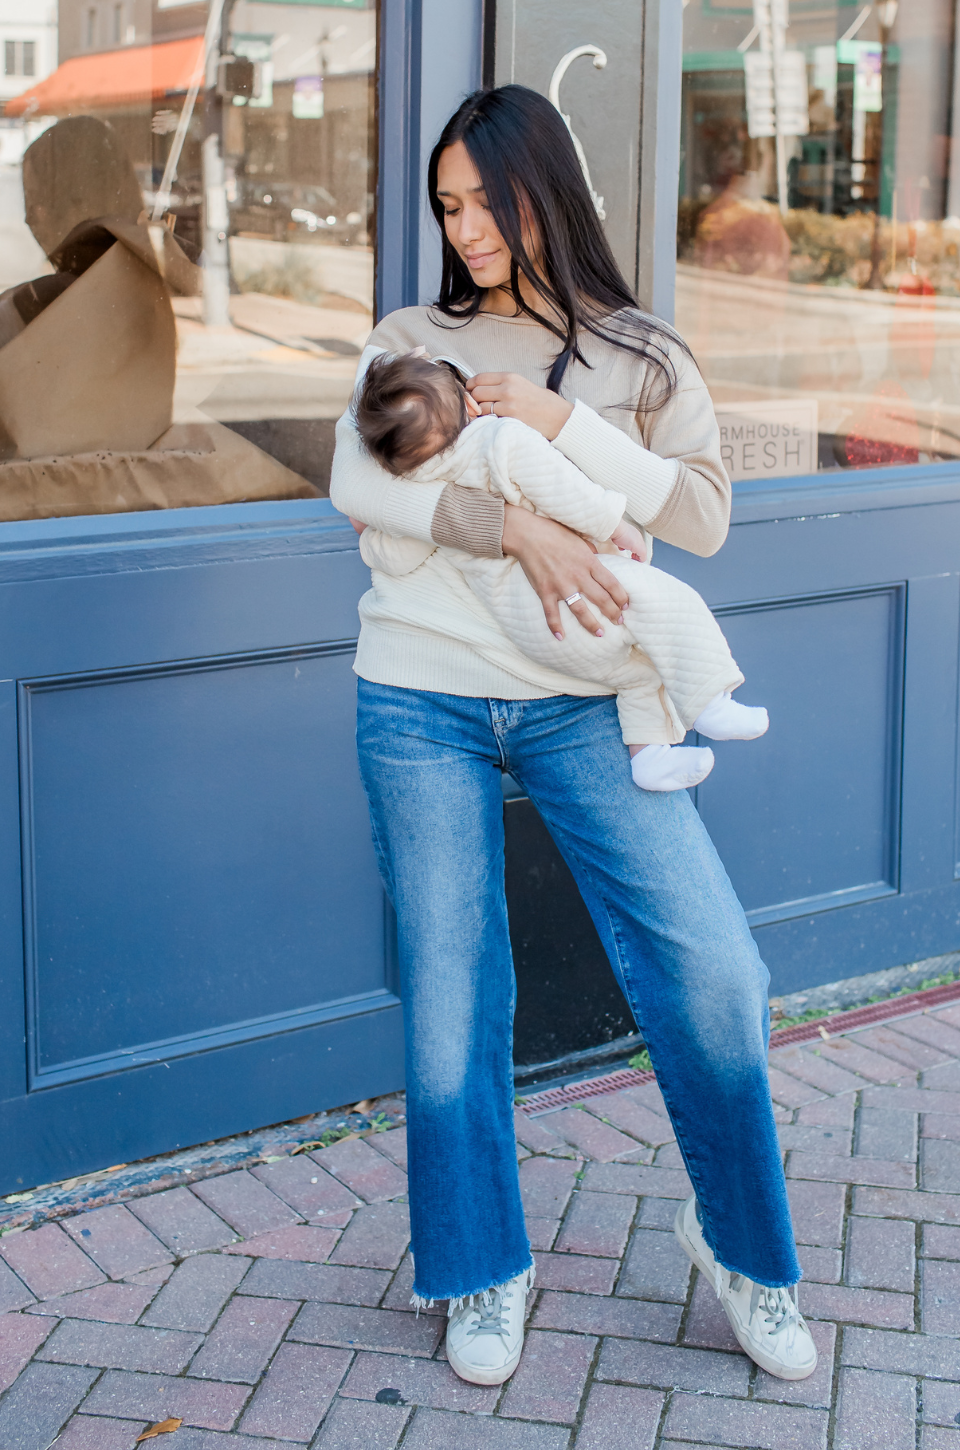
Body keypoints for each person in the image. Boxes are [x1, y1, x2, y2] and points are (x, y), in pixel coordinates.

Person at [330, 84, 817, 1387]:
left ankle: (740, 1245)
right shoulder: (408, 333)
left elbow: (702, 515)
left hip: (589, 704)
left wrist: (562, 426)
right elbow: (362, 486)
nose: (465, 226)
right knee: (452, 997)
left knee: (716, 973)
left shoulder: (639, 354)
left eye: (484, 198)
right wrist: (520, 524)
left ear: (543, 186)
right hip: (420, 696)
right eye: (448, 205)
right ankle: (483, 1262)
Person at [352, 349, 769, 791]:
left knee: (635, 669)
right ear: (469, 402)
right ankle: (709, 698)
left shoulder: (417, 483)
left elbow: (391, 556)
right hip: (575, 599)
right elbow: (562, 489)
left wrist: (377, 529)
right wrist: (615, 524)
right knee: (670, 605)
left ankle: (649, 757)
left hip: (534, 634)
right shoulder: (499, 440)